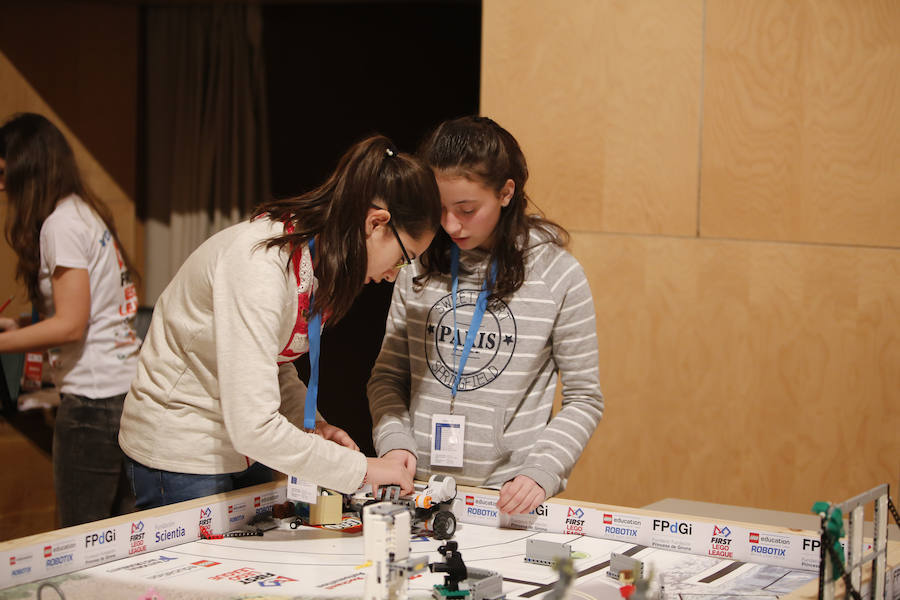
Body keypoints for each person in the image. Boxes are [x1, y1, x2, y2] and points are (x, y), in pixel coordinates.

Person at [118, 135, 441, 509]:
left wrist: (312, 425)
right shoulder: (260, 265)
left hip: (243, 449)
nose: (392, 275)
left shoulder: (313, 262)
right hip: (183, 450)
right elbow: (254, 427)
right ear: (376, 223)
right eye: (403, 257)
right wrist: (361, 469)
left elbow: (269, 364)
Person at [367, 116, 604, 515]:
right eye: (440, 208)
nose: (450, 224)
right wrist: (393, 444)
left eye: (467, 209)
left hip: (506, 498)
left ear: (506, 192)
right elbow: (388, 378)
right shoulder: (416, 266)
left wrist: (541, 471)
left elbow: (584, 398)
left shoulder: (557, 274)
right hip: (416, 486)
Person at [0, 113, 139, 527]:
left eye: (5, 173)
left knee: (81, 540)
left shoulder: (60, 224)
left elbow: (71, 326)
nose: (2, 186)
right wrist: (21, 330)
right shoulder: (83, 213)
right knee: (119, 535)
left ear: (29, 169)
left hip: (93, 403)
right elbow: (87, 316)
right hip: (124, 392)